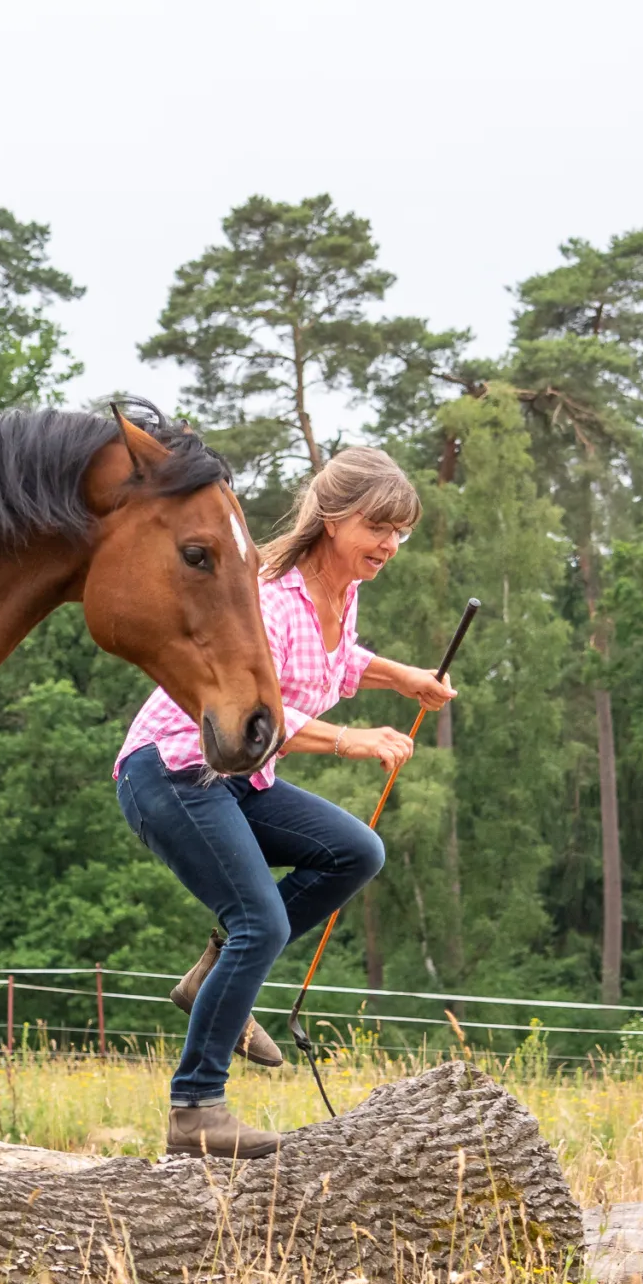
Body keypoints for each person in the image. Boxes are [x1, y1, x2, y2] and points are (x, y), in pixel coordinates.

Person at [115, 447, 457, 1159]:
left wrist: (407, 678)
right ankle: (195, 1109)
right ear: (333, 520)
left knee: (355, 851)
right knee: (260, 920)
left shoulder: (339, 593)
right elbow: (264, 716)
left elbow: (344, 658)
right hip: (175, 770)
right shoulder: (270, 596)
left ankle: (214, 969)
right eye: (378, 527)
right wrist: (352, 740)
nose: (390, 545)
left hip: (239, 778)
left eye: (402, 531)